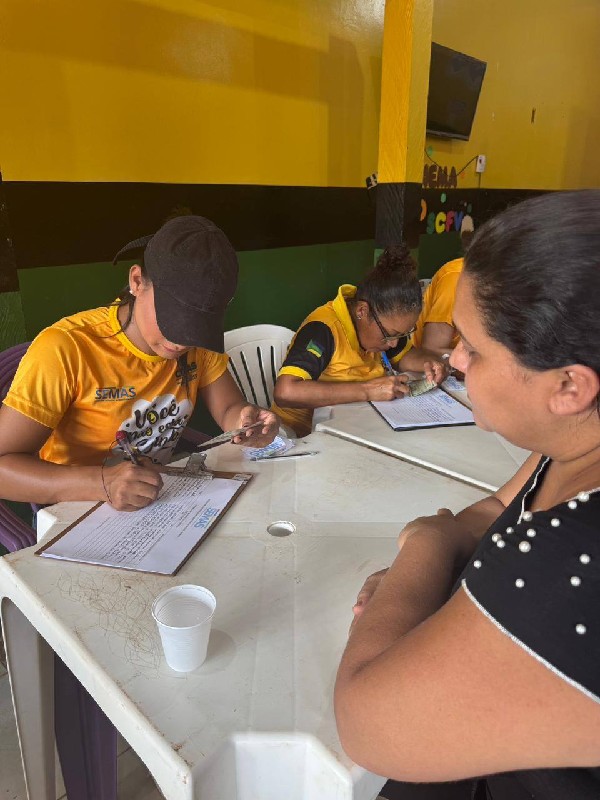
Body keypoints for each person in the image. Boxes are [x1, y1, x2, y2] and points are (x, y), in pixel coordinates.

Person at [334, 190, 600, 799]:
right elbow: (494, 510)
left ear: (569, 386)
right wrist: (425, 570)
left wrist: (425, 548)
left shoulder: (579, 561)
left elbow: (365, 720)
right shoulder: (572, 446)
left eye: (474, 349)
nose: (455, 359)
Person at [0, 215, 278, 512]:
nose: (181, 342)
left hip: (155, 500)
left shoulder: (197, 348)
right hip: (74, 508)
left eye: (196, 327)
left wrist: (246, 422)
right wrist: (103, 483)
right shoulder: (67, 349)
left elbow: (229, 409)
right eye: (173, 320)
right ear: (136, 281)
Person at [272, 246, 447, 437]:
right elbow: (285, 392)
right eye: (391, 335)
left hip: (356, 423)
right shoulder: (324, 329)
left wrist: (429, 364)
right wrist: (367, 391)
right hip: (303, 434)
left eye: (402, 335)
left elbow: (403, 356)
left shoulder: (384, 328)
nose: (394, 344)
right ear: (362, 311)